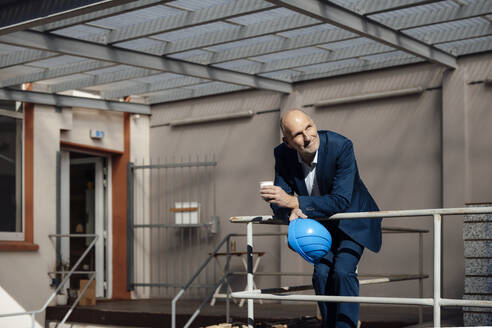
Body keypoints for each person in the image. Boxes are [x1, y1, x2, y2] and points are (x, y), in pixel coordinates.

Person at [260, 109, 382, 328]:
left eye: (309, 127)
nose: (307, 136)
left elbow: (340, 200)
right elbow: (281, 198)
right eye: (298, 134)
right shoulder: (283, 154)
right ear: (287, 142)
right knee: (322, 274)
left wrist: (296, 203)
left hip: (353, 219)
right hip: (320, 224)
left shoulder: (341, 146)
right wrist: (288, 211)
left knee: (343, 271)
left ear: (314, 124)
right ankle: (330, 324)